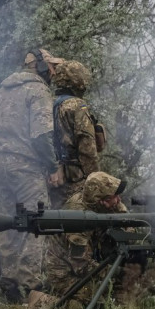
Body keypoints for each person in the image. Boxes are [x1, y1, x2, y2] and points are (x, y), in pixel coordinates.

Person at [0, 47, 65, 304]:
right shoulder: (38, 90)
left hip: (2, 165)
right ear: (40, 67)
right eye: (50, 66)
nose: (53, 71)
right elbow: (41, 135)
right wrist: (52, 167)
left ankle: (9, 283)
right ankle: (32, 287)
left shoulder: (2, 91)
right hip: (27, 166)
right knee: (36, 222)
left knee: (9, 223)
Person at [41, 171, 142, 308]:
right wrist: (115, 272)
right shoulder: (76, 217)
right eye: (114, 197)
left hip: (89, 260)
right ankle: (44, 301)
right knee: (98, 303)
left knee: (118, 284)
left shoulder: (111, 202)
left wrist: (124, 234)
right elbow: (80, 265)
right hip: (63, 272)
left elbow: (128, 222)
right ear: (102, 201)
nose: (119, 200)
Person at [48, 60, 103, 208]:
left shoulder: (49, 103)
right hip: (75, 180)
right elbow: (87, 147)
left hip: (53, 178)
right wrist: (96, 180)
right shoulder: (77, 106)